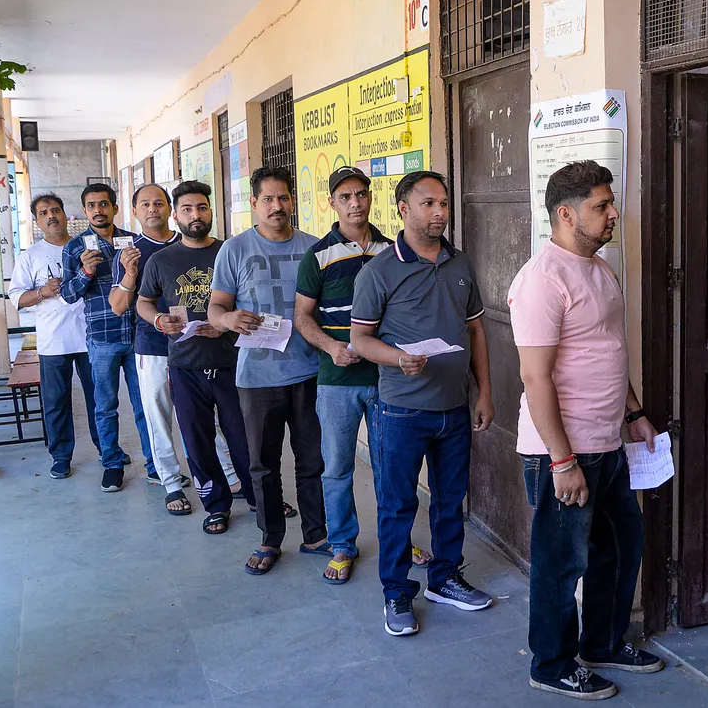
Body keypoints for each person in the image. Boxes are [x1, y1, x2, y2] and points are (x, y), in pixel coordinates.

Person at [510, 161, 664, 700]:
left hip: (608, 442)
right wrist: (561, 460)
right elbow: (535, 375)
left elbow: (608, 353)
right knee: (561, 562)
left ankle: (601, 642)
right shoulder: (541, 279)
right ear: (565, 213)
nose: (613, 214)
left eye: (610, 203)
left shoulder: (600, 270)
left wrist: (633, 412)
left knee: (619, 545)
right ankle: (550, 663)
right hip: (563, 451)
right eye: (601, 206)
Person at [350, 170, 496, 637]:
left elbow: (475, 330)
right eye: (428, 203)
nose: (439, 213)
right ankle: (396, 593)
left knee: (450, 501)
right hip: (400, 411)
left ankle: (444, 578)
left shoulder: (460, 264)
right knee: (397, 505)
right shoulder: (378, 271)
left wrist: (485, 392)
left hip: (454, 407)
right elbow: (360, 340)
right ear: (403, 209)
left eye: (444, 204)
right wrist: (398, 358)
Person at [209, 166, 328, 574]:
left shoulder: (316, 248)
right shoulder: (235, 249)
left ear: (293, 201)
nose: (277, 206)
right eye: (268, 199)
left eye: (284, 198)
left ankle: (316, 535)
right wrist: (228, 321)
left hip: (311, 370)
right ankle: (270, 538)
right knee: (262, 463)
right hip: (258, 377)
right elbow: (216, 307)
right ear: (254, 204)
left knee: (313, 460)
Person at [110, 183, 243, 514]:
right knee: (159, 416)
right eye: (145, 204)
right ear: (135, 210)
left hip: (207, 350)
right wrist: (134, 282)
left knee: (204, 423)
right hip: (156, 346)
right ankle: (170, 482)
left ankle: (229, 477)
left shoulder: (192, 239)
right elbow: (121, 304)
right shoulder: (132, 252)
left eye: (159, 203)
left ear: (169, 208)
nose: (153, 209)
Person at [294, 167, 394, 584]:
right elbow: (302, 316)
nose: (356, 203)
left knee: (392, 467)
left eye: (362, 194)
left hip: (389, 378)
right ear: (332, 203)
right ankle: (341, 544)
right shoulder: (317, 256)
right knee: (336, 467)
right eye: (345, 196)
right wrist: (332, 347)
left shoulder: (393, 250)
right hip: (337, 383)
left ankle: (397, 539)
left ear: (371, 199)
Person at [137, 181, 254, 536]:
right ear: (175, 215)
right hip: (185, 363)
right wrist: (158, 319)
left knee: (244, 436)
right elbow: (143, 302)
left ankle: (258, 496)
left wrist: (225, 324)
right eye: (187, 209)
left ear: (211, 211)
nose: (195, 215)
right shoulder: (160, 260)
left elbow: (250, 300)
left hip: (232, 361)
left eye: (201, 208)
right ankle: (216, 505)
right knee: (198, 439)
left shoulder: (230, 252)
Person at [60, 182, 153, 493]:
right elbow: (68, 295)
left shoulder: (134, 242)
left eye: (103, 204)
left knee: (146, 405)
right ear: (85, 211)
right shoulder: (75, 248)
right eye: (91, 205)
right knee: (105, 405)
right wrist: (84, 272)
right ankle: (112, 464)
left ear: (115, 207)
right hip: (103, 339)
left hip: (139, 334)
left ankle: (155, 465)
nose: (98, 210)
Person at [8, 193, 102, 479]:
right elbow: (16, 297)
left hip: (91, 338)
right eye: (44, 212)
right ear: (37, 221)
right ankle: (61, 456)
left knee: (100, 399)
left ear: (64, 213)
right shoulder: (30, 256)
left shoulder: (88, 245)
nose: (51, 216)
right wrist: (41, 292)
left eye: (56, 210)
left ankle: (107, 449)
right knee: (56, 402)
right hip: (53, 342)